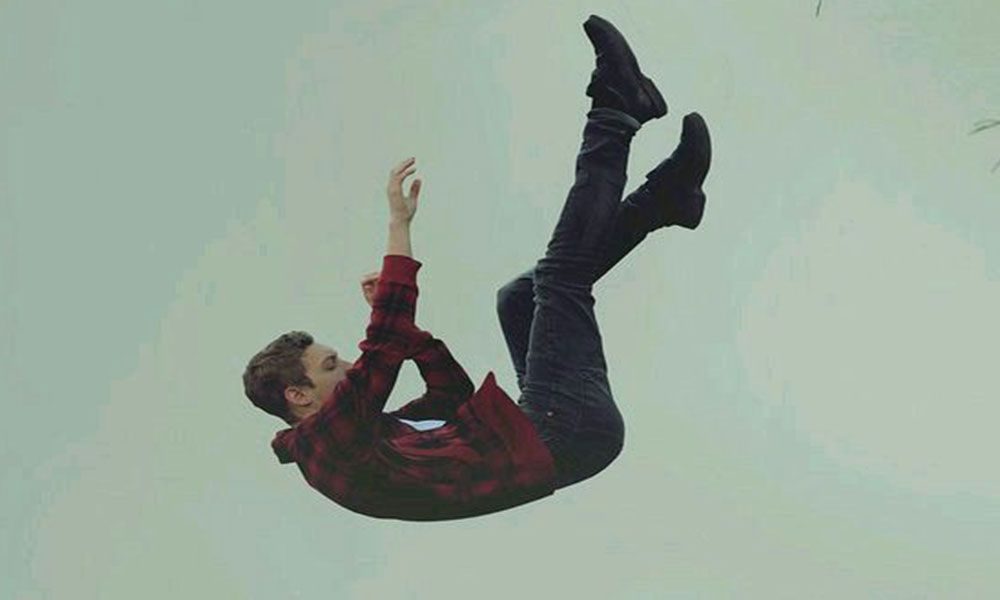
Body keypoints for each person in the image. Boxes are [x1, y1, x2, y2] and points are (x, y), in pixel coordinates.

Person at [242, 14, 712, 521]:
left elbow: (452, 396)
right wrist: (399, 228)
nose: (349, 367)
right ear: (298, 396)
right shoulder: (328, 445)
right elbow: (382, 345)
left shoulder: (367, 440)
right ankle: (617, 109)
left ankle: (665, 201)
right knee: (561, 277)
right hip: (561, 431)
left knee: (518, 298)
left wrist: (413, 338)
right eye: (331, 366)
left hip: (553, 429)